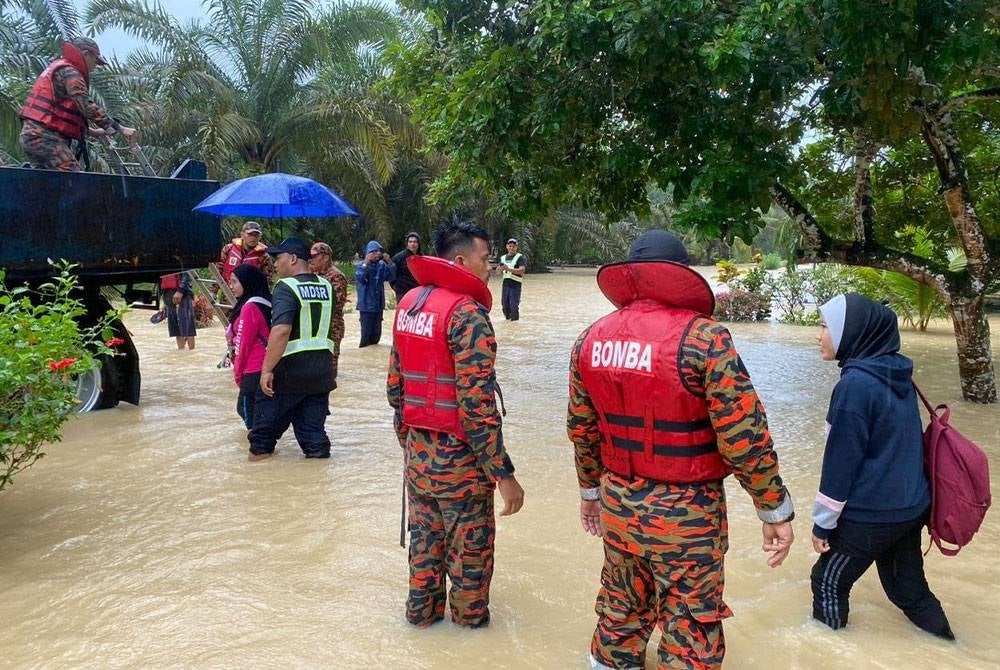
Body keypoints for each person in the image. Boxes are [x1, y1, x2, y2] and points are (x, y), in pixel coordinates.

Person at [566, 229, 794, 670]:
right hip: (688, 517)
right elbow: (744, 438)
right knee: (690, 625)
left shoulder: (590, 340)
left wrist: (590, 493)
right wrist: (774, 509)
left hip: (618, 506)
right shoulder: (706, 339)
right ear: (680, 275)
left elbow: (582, 429)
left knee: (619, 609)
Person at [387, 220, 525, 629]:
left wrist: (412, 445)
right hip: (462, 467)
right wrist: (504, 475)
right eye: (485, 259)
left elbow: (395, 389)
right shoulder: (468, 316)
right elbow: (477, 407)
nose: (491, 267)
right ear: (461, 261)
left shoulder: (410, 304)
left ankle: (423, 623)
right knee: (470, 564)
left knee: (424, 555)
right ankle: (469, 634)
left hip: (419, 460)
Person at [811, 293, 953, 640]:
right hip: (911, 506)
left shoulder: (855, 385)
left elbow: (841, 465)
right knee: (908, 590)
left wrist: (822, 525)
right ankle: (952, 648)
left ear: (852, 332)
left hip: (873, 514)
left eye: (825, 327)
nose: (819, 335)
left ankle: (826, 652)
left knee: (827, 580)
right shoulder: (897, 371)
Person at [248, 237, 336, 462]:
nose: (275, 264)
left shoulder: (285, 287)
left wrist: (266, 370)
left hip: (288, 373)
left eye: (278, 258)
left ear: (294, 258)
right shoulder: (327, 286)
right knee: (314, 439)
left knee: (261, 441)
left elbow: (281, 331)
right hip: (321, 373)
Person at [18, 37, 138, 171]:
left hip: (33, 135)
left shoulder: (59, 67)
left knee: (46, 184)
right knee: (74, 180)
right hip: (44, 137)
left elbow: (56, 113)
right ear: (86, 54)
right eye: (95, 61)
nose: (95, 67)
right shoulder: (70, 72)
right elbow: (86, 105)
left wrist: (92, 132)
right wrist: (119, 128)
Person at [227, 264, 272, 431]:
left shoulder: (250, 307)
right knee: (262, 414)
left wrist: (238, 374)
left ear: (247, 282)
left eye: (234, 282)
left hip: (253, 370)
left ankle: (259, 450)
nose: (231, 286)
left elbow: (243, 345)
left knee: (247, 414)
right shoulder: (268, 300)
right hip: (269, 367)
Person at [309, 241, 349, 379]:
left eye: (315, 256)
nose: (312, 259)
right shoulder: (312, 274)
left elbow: (335, 304)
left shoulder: (336, 276)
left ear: (326, 257)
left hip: (332, 327)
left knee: (330, 368)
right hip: (316, 326)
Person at [355, 239, 395, 347]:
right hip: (366, 307)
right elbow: (360, 278)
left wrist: (390, 263)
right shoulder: (361, 266)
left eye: (379, 251)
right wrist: (366, 263)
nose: (378, 254)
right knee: (366, 337)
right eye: (375, 251)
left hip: (378, 307)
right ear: (369, 253)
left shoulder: (381, 266)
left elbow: (391, 277)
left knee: (376, 336)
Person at [162, 271, 196, 350]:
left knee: (188, 327)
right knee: (176, 329)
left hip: (183, 293)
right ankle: (181, 352)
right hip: (168, 293)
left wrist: (180, 291)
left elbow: (187, 273)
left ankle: (191, 352)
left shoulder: (183, 259)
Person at [496, 238, 525, 321]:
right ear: (507, 247)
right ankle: (508, 322)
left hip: (515, 285)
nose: (512, 248)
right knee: (504, 306)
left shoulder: (520, 257)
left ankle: (515, 323)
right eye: (510, 246)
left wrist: (508, 269)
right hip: (505, 285)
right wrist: (499, 269)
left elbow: (522, 270)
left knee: (514, 306)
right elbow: (498, 273)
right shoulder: (503, 258)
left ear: (516, 247)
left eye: (514, 246)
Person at [390, 231, 423, 302]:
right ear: (407, 244)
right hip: (403, 293)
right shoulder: (398, 258)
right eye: (410, 242)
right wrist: (395, 287)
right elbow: (391, 274)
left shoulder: (422, 258)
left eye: (415, 242)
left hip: (418, 292)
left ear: (418, 244)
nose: (412, 244)